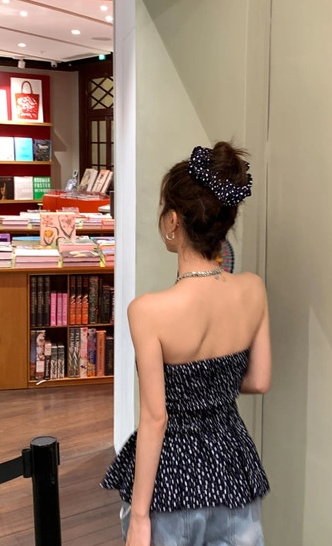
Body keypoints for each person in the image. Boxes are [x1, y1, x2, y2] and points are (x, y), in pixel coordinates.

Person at [102, 142, 271, 546]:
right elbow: (259, 381)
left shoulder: (148, 311)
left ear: (173, 221)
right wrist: (213, 390)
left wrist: (139, 517)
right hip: (234, 468)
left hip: (172, 480)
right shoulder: (253, 289)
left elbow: (155, 417)